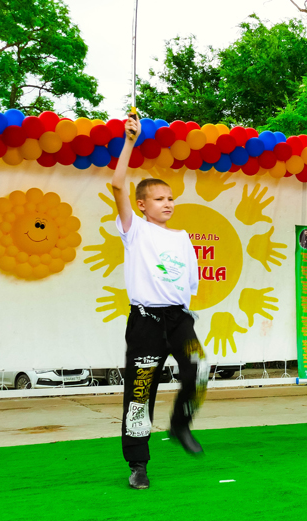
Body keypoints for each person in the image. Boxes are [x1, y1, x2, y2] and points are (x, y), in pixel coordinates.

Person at [110, 115, 209, 490]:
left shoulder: (181, 237)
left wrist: (182, 313)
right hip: (145, 322)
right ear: (141, 204)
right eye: (159, 199)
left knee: (199, 370)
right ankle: (138, 463)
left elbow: (189, 281)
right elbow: (116, 184)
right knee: (140, 392)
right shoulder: (134, 230)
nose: (168, 203)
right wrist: (130, 142)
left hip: (178, 320)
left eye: (171, 199)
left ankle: (180, 425)